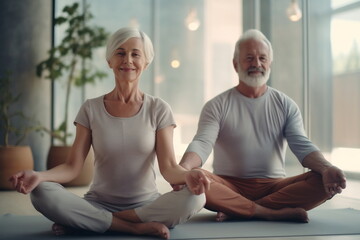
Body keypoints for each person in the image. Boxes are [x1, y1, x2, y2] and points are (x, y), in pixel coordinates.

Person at [9, 27, 210, 240]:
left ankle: (94, 221)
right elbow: (72, 167)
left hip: (146, 204)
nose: (128, 60)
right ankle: (133, 227)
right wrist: (39, 176)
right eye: (120, 53)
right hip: (98, 201)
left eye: (135, 54)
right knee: (41, 192)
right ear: (109, 61)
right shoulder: (90, 108)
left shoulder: (159, 109)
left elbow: (169, 168)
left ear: (146, 62)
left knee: (196, 198)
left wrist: (189, 175)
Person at [175, 29, 346, 223]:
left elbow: (302, 145)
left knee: (322, 181)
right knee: (194, 179)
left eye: (262, 58)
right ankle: (268, 212)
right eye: (249, 58)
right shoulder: (217, 105)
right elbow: (202, 142)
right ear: (235, 64)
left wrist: (326, 168)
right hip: (228, 186)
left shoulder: (285, 104)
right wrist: (183, 169)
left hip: (275, 187)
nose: (256, 64)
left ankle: (238, 209)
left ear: (270, 63)